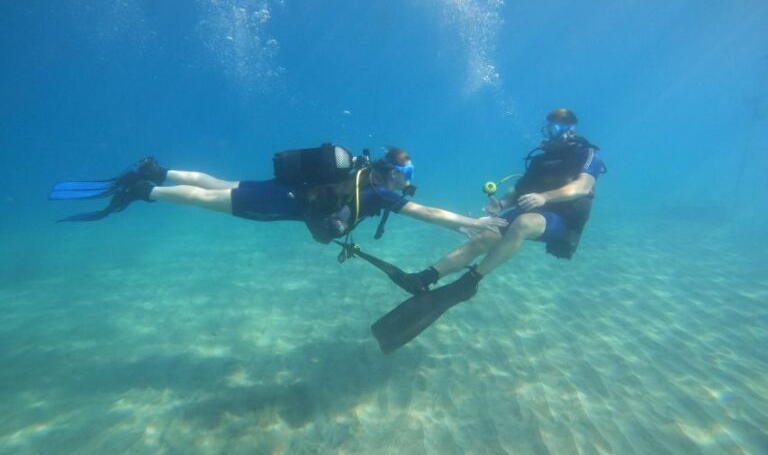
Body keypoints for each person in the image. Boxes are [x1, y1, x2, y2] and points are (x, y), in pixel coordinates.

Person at [371, 109, 607, 353]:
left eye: (554, 129)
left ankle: (470, 281)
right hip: (532, 208)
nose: (548, 134)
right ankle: (426, 277)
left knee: (523, 224)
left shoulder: (586, 154)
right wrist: (501, 205)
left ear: (570, 131)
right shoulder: (540, 160)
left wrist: (544, 197)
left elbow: (582, 187)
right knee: (484, 235)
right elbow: (518, 190)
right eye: (546, 129)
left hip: (563, 219)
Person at [49, 144, 506, 245]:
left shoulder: (360, 170)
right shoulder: (381, 193)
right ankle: (147, 188)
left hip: (286, 187)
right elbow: (427, 213)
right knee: (209, 200)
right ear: (397, 174)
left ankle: (156, 169)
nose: (408, 183)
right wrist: (469, 223)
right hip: (282, 202)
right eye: (407, 176)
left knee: (219, 184)